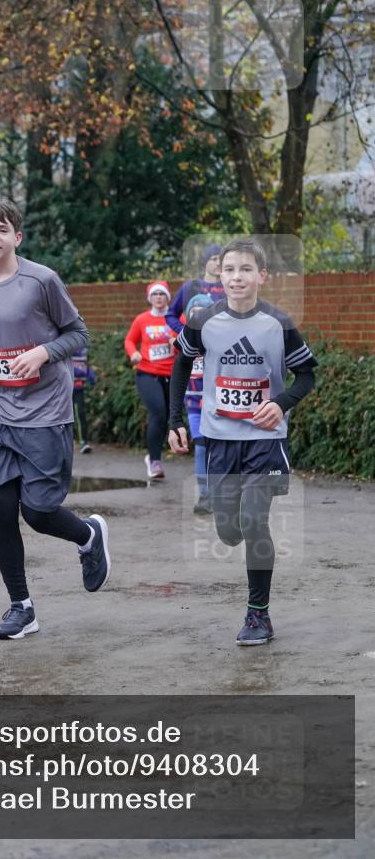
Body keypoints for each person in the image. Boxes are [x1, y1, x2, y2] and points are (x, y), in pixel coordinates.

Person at [0, 196, 110, 640]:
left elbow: (78, 334)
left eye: (3, 229)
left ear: (17, 237)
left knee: (38, 512)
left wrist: (42, 352)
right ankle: (21, 606)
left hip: (46, 412)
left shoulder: (42, 281)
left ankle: (88, 536)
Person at [168, 237, 318, 646]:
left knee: (254, 521)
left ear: (262, 276)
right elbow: (180, 364)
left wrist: (282, 402)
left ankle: (258, 614)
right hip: (220, 439)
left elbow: (307, 375)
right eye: (230, 269)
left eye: (246, 269)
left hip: (264, 440)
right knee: (229, 532)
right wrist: (175, 419)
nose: (237, 277)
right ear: (220, 274)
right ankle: (239, 554)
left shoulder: (280, 323)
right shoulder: (202, 320)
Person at [124, 280, 176, 481]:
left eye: (162, 294)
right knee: (158, 412)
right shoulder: (142, 320)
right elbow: (129, 340)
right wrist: (133, 353)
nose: (159, 298)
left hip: (172, 375)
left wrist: (177, 343)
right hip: (147, 373)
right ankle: (154, 461)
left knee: (167, 417)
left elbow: (187, 340)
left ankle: (154, 455)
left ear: (167, 297)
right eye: (155, 294)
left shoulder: (176, 318)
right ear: (150, 298)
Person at [182, 293, 214, 515]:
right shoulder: (184, 341)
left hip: (217, 405)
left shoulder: (220, 341)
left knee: (220, 448)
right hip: (193, 404)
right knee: (201, 445)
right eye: (194, 315)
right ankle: (204, 494)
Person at [166, 243, 225, 335]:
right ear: (205, 262)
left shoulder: (230, 287)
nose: (218, 263)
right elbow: (171, 315)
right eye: (214, 259)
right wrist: (185, 333)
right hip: (197, 347)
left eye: (221, 259)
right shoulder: (191, 286)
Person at [72, 347, 96, 454]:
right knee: (65, 415)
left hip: (78, 388)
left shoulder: (83, 350)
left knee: (80, 414)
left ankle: (84, 442)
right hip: (64, 389)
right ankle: (64, 442)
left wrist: (90, 375)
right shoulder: (65, 347)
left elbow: (85, 365)